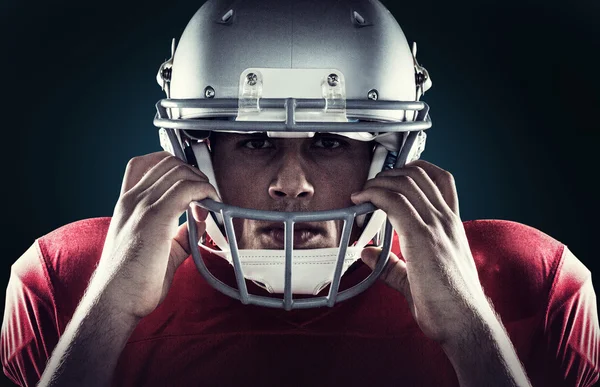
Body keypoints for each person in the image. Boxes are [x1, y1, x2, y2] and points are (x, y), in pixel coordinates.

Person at [2, 0, 598, 386]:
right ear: (195, 152)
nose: (292, 184)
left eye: (332, 141)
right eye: (255, 142)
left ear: (391, 152)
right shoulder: (68, 279)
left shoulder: (531, 279)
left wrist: (472, 330)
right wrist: (105, 311)